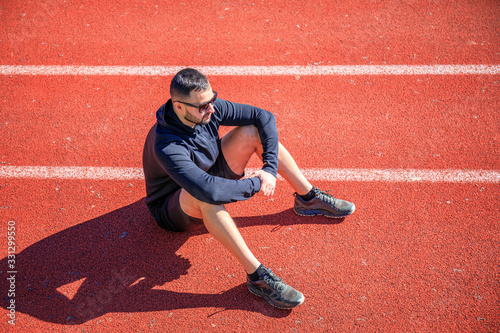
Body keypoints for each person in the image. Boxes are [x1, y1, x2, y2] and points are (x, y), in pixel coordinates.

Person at [142, 68, 355, 309]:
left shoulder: (206, 108)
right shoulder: (167, 145)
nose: (211, 108)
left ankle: (308, 198)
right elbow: (210, 191)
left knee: (252, 132)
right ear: (178, 106)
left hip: (207, 172)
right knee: (205, 199)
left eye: (212, 99)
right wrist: (258, 182)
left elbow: (263, 116)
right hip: (173, 206)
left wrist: (270, 168)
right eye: (203, 106)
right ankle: (257, 277)